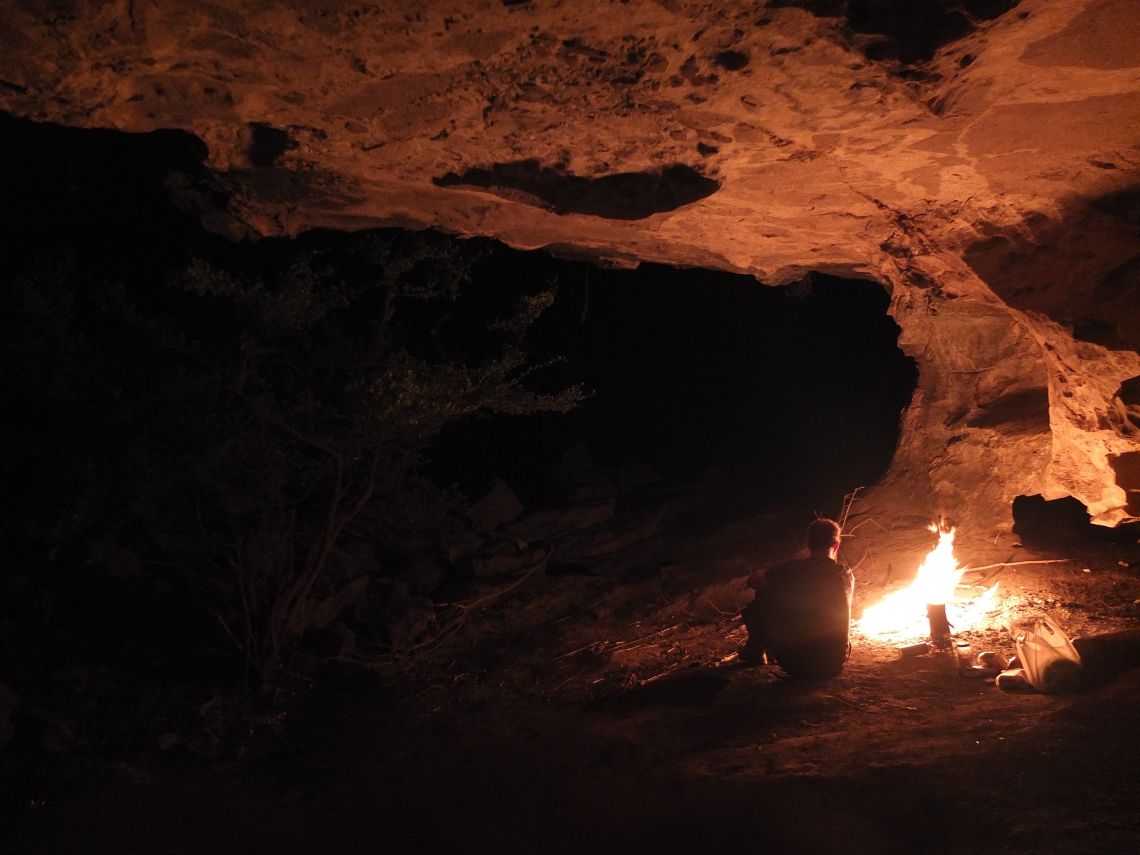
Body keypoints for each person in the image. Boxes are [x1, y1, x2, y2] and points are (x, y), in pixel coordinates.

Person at [740, 518, 854, 678]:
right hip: (834, 663)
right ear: (836, 545)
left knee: (764, 594)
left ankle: (756, 650)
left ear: (808, 543)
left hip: (793, 663)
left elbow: (753, 581)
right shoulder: (845, 574)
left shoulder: (791, 569)